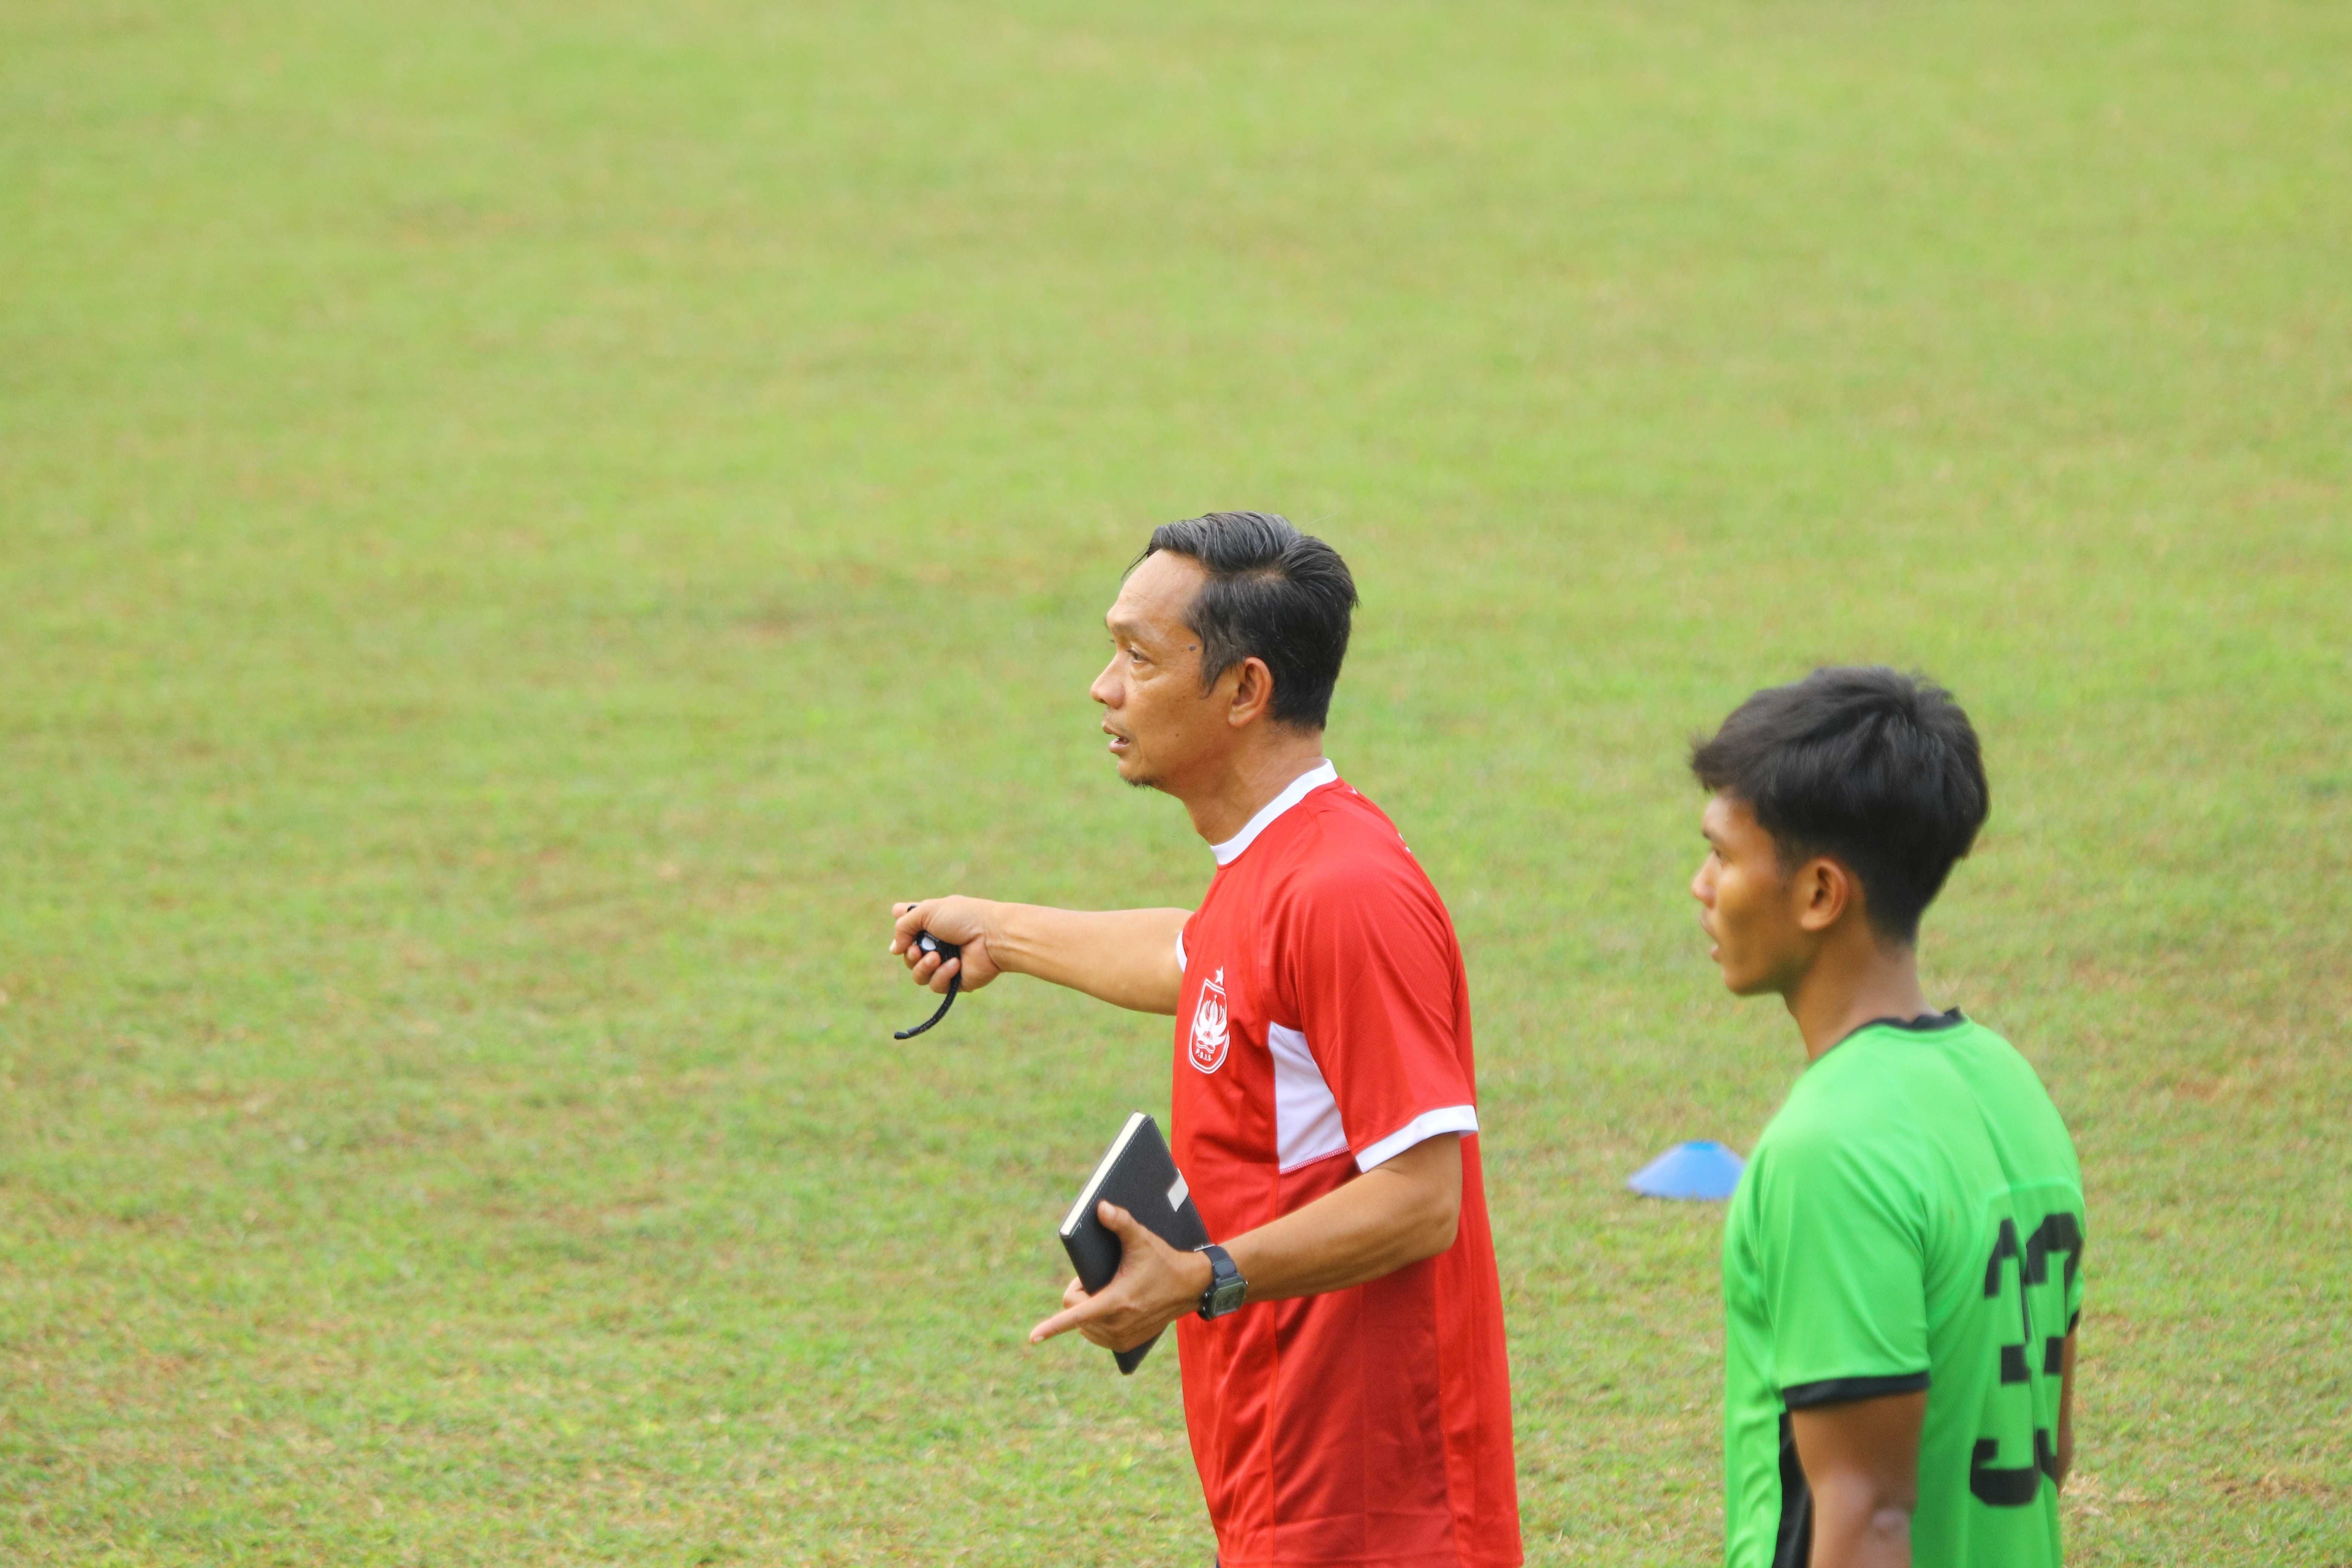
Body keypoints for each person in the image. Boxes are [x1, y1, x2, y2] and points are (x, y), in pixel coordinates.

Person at [890, 513, 1520, 1568]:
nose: (1104, 686)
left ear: (1244, 692)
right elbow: (1198, 960)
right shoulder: (1274, 870)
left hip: (1374, 1499)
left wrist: (1203, 1274)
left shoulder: (1344, 893)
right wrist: (998, 930)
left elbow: (1423, 1200)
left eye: (1139, 657)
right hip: (1283, 1457)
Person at [1688, 668, 2087, 1568]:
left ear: (1821, 894)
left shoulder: (1830, 1149)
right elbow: (2050, 1445)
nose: (1701, 885)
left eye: (1723, 854)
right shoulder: (2010, 1087)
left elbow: (1867, 1521)